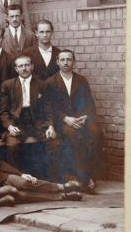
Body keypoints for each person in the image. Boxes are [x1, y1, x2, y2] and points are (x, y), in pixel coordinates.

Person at [43, 49, 101, 192]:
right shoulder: (50, 82)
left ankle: (91, 174)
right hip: (62, 121)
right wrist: (65, 118)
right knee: (73, 135)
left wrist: (85, 116)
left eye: (69, 59)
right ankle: (84, 179)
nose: (66, 63)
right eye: (62, 60)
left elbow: (89, 103)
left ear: (73, 62)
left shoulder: (81, 80)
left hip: (81, 119)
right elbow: (49, 107)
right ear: (57, 62)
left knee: (96, 133)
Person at [0, 55, 56, 177]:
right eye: (21, 66)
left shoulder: (41, 84)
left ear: (32, 66)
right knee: (12, 145)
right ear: (16, 69)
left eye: (27, 65)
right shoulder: (8, 85)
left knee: (53, 142)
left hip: (37, 123)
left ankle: (49, 179)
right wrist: (9, 126)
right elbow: (3, 112)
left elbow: (49, 108)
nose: (24, 68)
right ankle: (18, 178)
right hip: (16, 123)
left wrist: (50, 126)